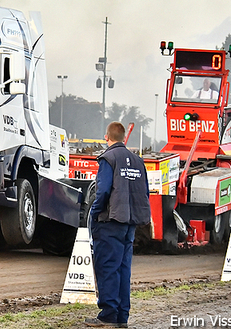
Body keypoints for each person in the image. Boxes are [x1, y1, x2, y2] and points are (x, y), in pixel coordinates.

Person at [85, 122, 151, 328]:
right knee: (123, 269)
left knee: (107, 268)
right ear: (123, 138)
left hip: (110, 222)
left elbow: (102, 191)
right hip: (130, 224)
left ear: (107, 137)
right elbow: (145, 192)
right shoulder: (139, 161)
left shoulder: (108, 158)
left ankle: (108, 315)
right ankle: (122, 317)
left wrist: (94, 213)